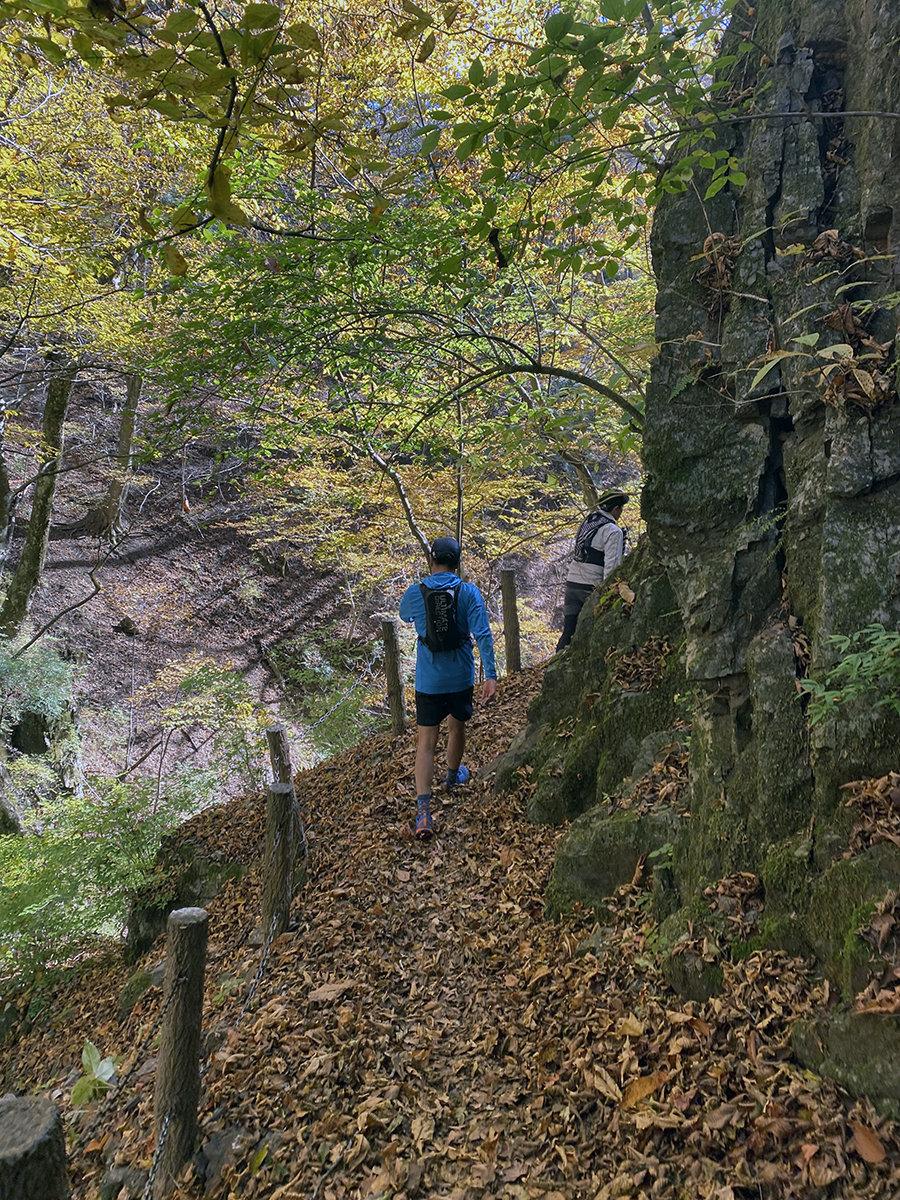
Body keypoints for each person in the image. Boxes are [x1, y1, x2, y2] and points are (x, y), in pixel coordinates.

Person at [399, 536, 497, 840]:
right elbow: (482, 633)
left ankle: (424, 811)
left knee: (426, 743)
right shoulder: (469, 592)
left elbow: (405, 616)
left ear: (431, 561)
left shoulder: (416, 592)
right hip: (460, 677)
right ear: (458, 563)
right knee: (457, 728)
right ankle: (453, 777)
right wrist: (491, 675)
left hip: (429, 680)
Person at [556, 489, 630, 652]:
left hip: (572, 584)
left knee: (568, 631)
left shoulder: (588, 521)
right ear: (616, 509)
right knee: (592, 633)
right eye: (621, 509)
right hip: (590, 587)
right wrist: (609, 592)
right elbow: (612, 566)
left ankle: (554, 665)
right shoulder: (613, 531)